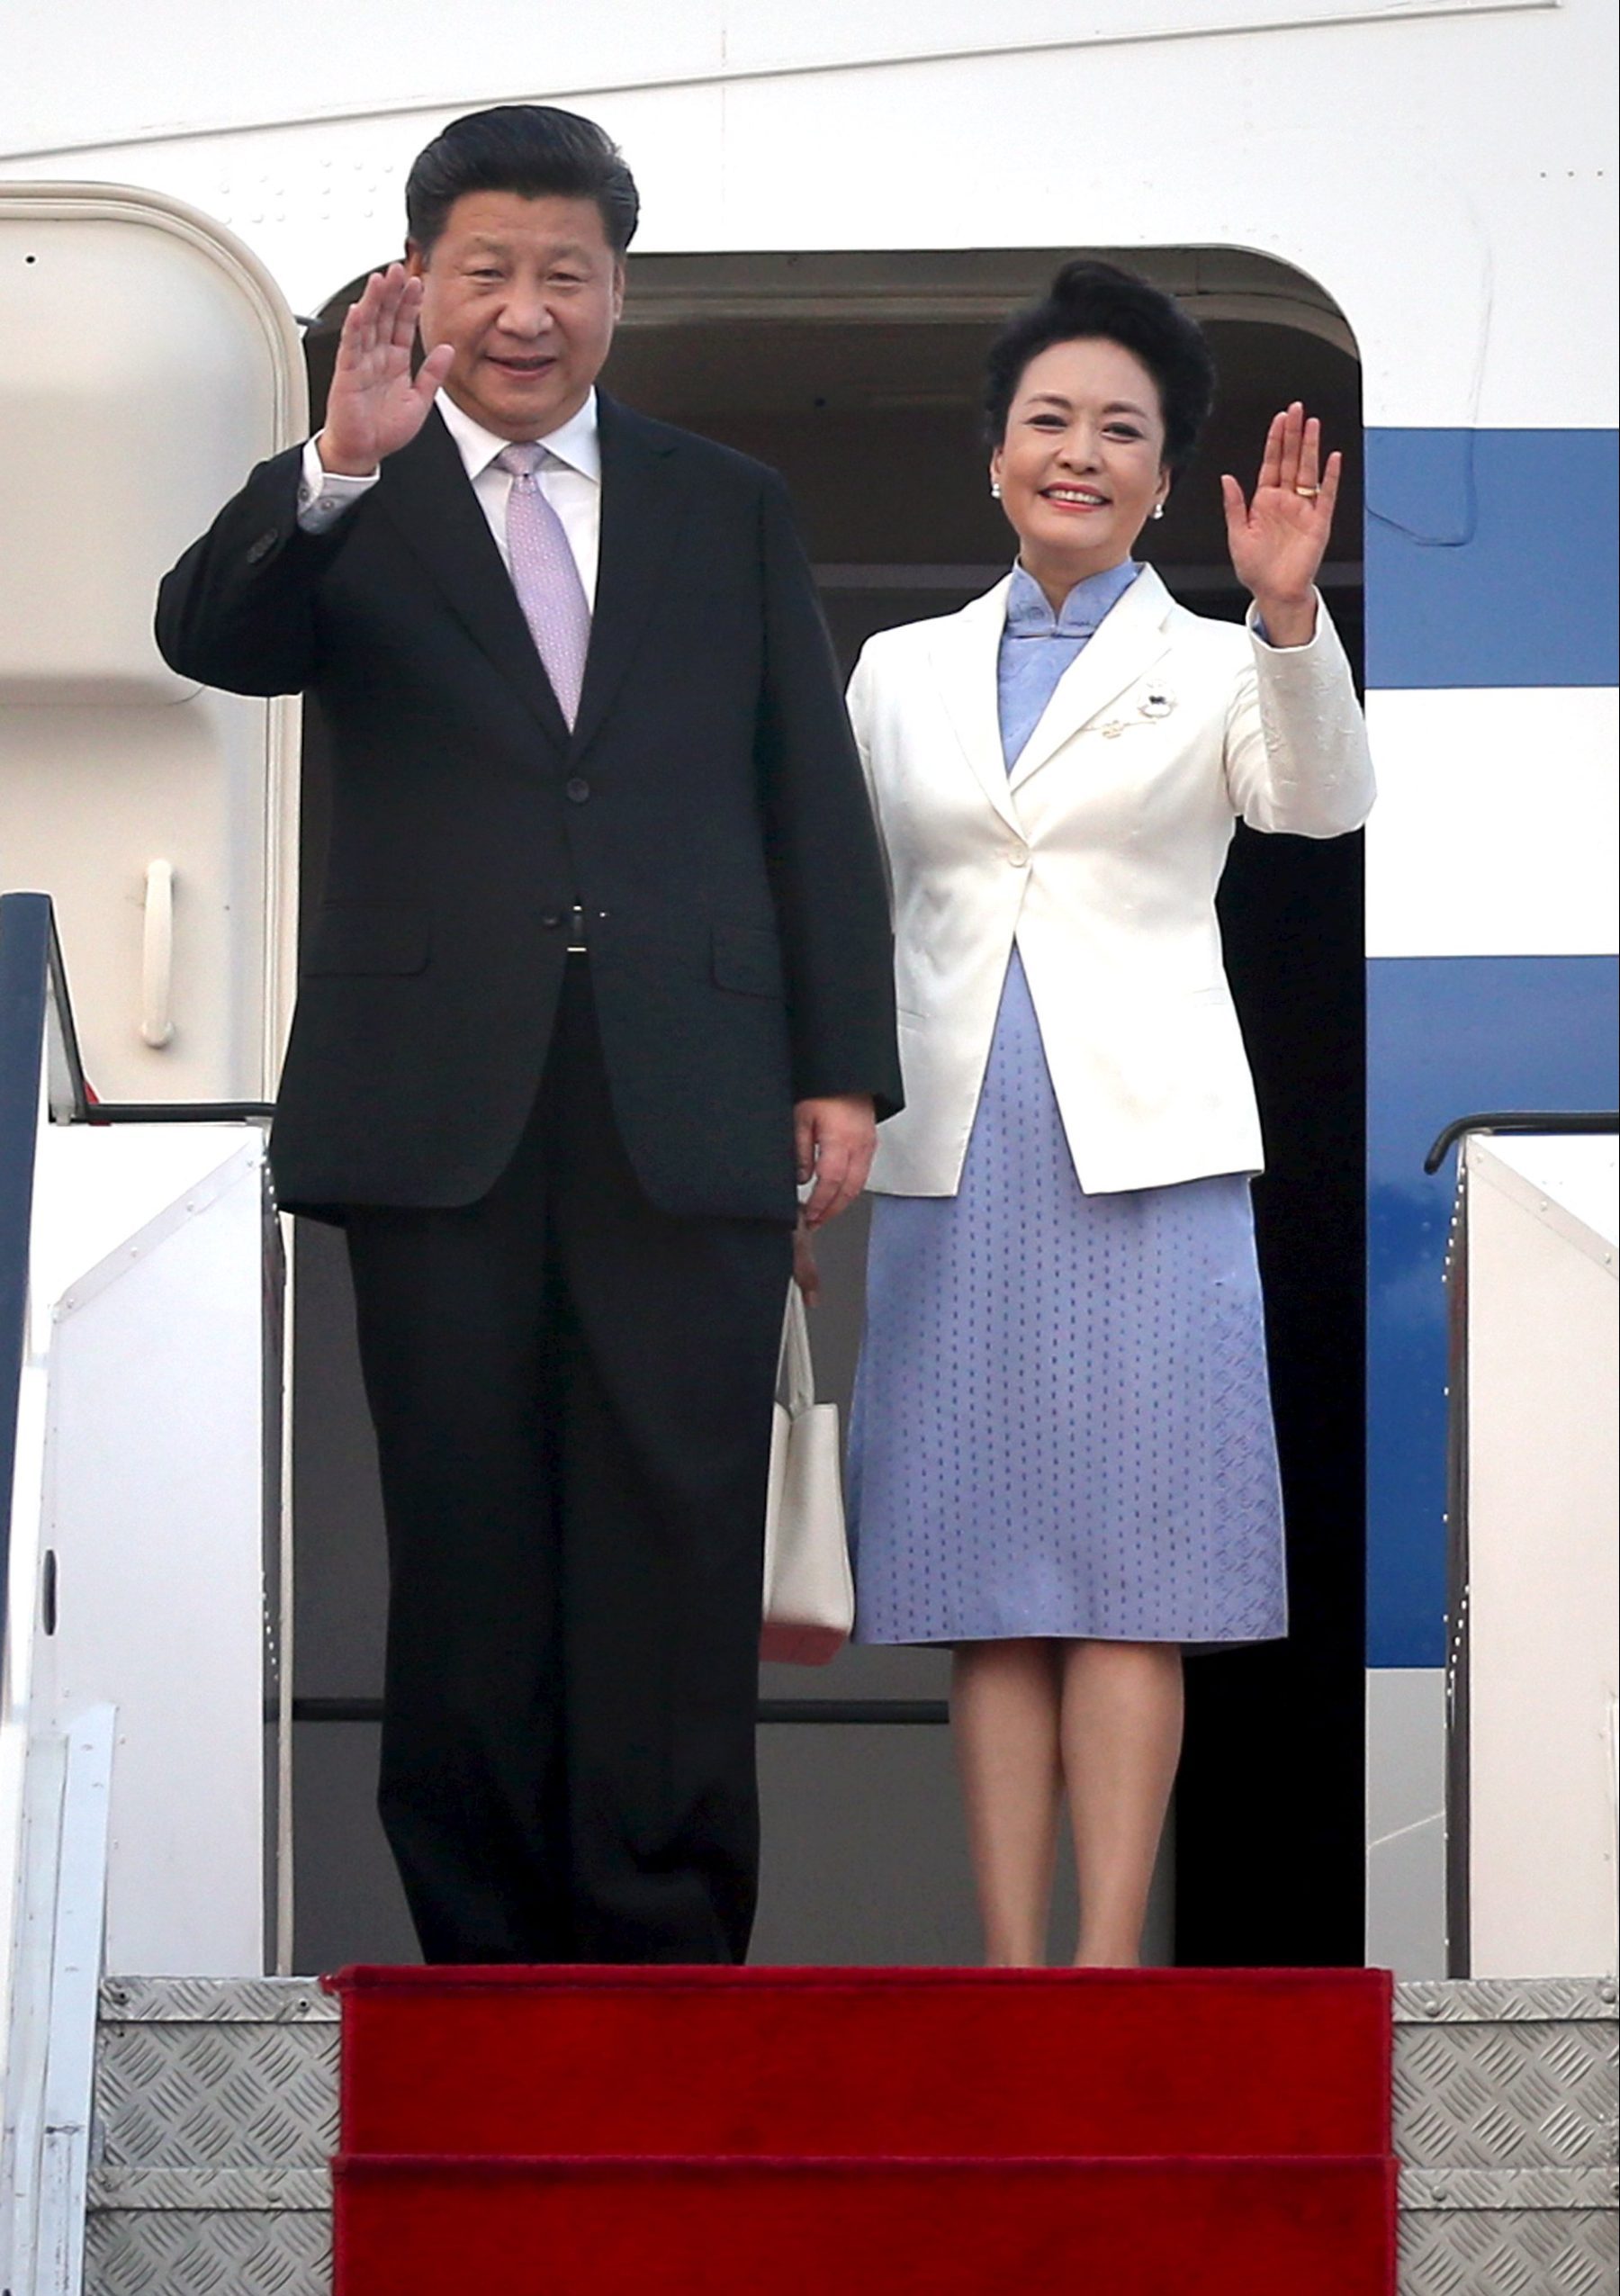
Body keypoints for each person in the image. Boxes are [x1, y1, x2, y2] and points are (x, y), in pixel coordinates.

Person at [157, 105, 899, 1967]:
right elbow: (208, 637)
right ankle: (480, 1960)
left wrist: (838, 1065)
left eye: (565, 275)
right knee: (469, 1541)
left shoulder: (724, 502)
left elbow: (804, 792)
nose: (525, 312)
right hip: (441, 1103)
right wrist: (337, 456)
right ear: (414, 282)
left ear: (617, 292)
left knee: (673, 1532)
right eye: (486, 271)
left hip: (689, 1092)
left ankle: (663, 1954)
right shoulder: (352, 488)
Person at [842, 260, 1374, 1968]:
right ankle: (1012, 1970)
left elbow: (1315, 806)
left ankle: (1106, 1970)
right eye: (1049, 421)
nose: (1078, 452)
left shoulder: (1221, 658)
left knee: (1135, 1570)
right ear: (996, 454)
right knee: (983, 1586)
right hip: (949, 1146)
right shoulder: (897, 669)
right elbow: (850, 903)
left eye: (1119, 431)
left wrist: (1289, 616)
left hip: (1140, 1146)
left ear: (1163, 477)